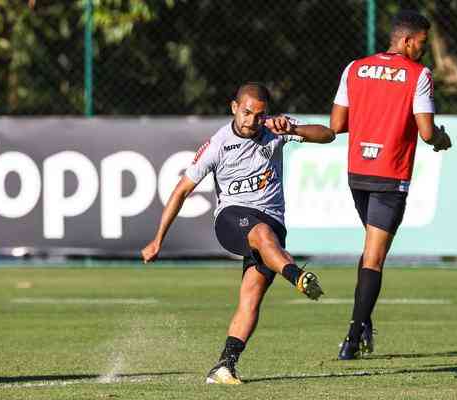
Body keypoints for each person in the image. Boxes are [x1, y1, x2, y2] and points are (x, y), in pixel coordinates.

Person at [141, 82, 334, 384]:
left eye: (259, 115)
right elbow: (181, 191)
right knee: (260, 233)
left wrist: (293, 130)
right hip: (232, 219)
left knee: (251, 298)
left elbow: (328, 135)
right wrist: (157, 240)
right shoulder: (217, 144)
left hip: (272, 223)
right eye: (246, 113)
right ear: (234, 107)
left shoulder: (275, 130)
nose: (252, 121)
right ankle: (296, 275)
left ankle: (224, 366)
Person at [329, 10, 452, 360]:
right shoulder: (419, 75)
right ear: (407, 40)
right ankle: (353, 339)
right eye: (423, 44)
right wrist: (441, 139)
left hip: (357, 173)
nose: (424, 51)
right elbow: (427, 132)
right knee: (375, 256)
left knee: (370, 249)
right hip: (390, 174)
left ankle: (362, 320)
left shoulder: (354, 68)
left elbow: (337, 123)